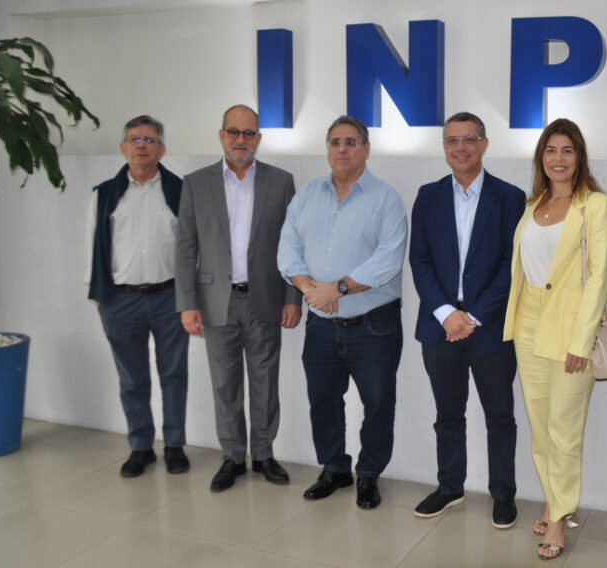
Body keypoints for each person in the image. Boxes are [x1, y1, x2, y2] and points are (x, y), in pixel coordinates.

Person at [277, 115, 408, 510]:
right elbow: (287, 250)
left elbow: (388, 260)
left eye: (351, 142)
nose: (342, 149)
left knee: (378, 405)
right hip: (321, 326)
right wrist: (311, 291)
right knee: (323, 402)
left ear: (366, 149)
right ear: (327, 149)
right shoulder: (306, 196)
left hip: (374, 327)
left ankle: (368, 474)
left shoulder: (386, 199)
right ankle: (334, 468)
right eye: (335, 142)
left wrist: (338, 288)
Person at [502, 118, 607, 560]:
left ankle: (560, 518)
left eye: (567, 150)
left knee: (564, 430)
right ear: (541, 158)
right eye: (550, 150)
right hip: (527, 323)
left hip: (571, 329)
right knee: (540, 427)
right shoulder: (534, 204)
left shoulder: (596, 206)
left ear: (580, 156)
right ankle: (553, 498)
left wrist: (580, 340)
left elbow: (599, 278)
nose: (558, 158)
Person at [174, 104, 302, 492]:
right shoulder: (195, 183)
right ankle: (232, 456)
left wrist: (292, 296)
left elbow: (293, 245)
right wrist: (187, 303)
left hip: (265, 298)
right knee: (224, 385)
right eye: (233, 132)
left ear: (258, 139)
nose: (240, 140)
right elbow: (185, 248)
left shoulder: (281, 182)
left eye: (248, 133)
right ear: (221, 135)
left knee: (265, 382)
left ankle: (263, 454)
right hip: (215, 302)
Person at [409, 112, 526, 527]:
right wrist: (446, 314)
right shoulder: (428, 196)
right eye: (452, 140)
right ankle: (450, 487)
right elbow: (419, 260)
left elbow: (512, 265)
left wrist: (473, 316)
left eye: (469, 139)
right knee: (447, 413)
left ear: (484, 144)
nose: (461, 147)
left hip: (490, 326)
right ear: (444, 146)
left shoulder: (510, 197)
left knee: (500, 416)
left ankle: (503, 493)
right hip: (439, 326)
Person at [87, 115, 190, 478]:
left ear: (162, 149)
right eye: (135, 139)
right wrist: (98, 294)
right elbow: (91, 244)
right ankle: (141, 447)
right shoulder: (104, 194)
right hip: (119, 300)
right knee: (132, 379)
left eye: (149, 140)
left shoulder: (180, 191)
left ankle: (174, 446)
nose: (142, 146)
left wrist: (190, 297)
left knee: (174, 375)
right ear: (123, 147)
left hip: (170, 298)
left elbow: (192, 247)